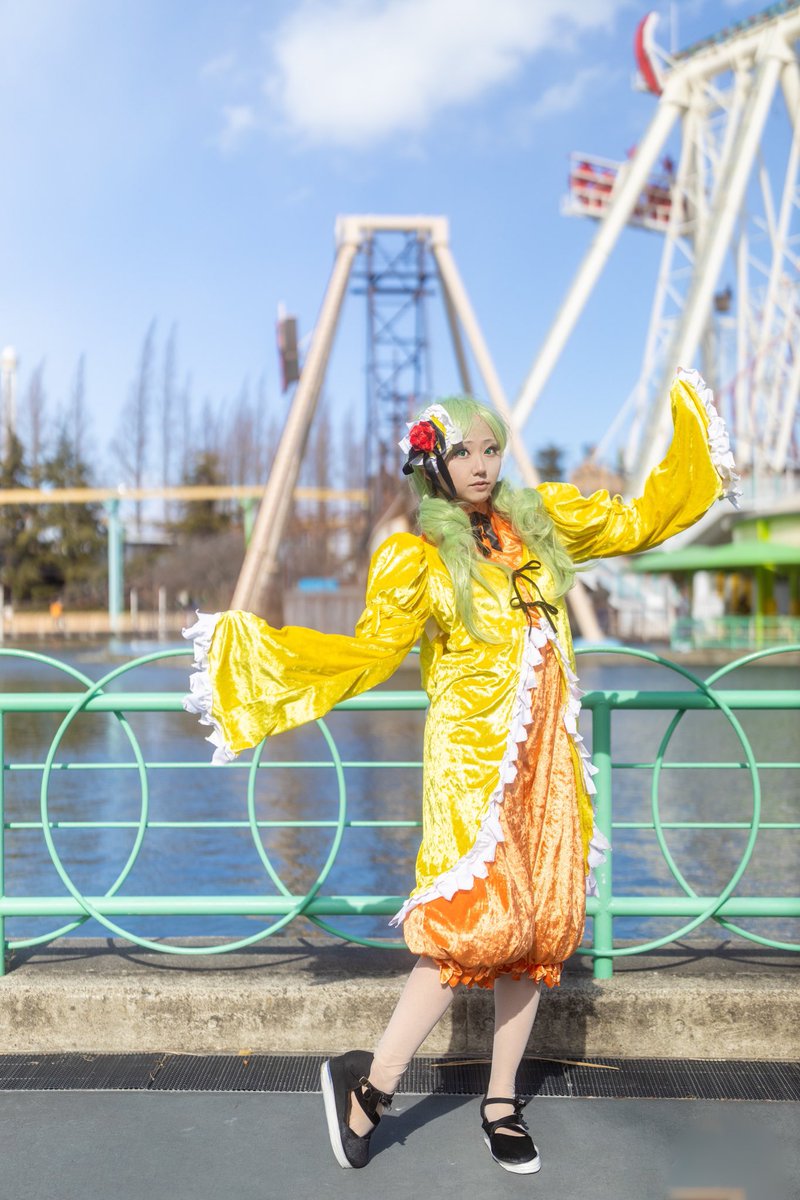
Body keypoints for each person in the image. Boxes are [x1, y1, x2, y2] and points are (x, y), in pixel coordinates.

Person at [183, 367, 739, 1174]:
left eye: (490, 450)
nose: (481, 465)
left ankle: (501, 1102)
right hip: (472, 770)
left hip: (547, 761)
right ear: (432, 463)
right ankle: (370, 1088)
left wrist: (690, 435)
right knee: (464, 930)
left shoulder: (541, 525)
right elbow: (370, 652)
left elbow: (639, 521)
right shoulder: (420, 559)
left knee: (538, 932)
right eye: (462, 452)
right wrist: (257, 664)